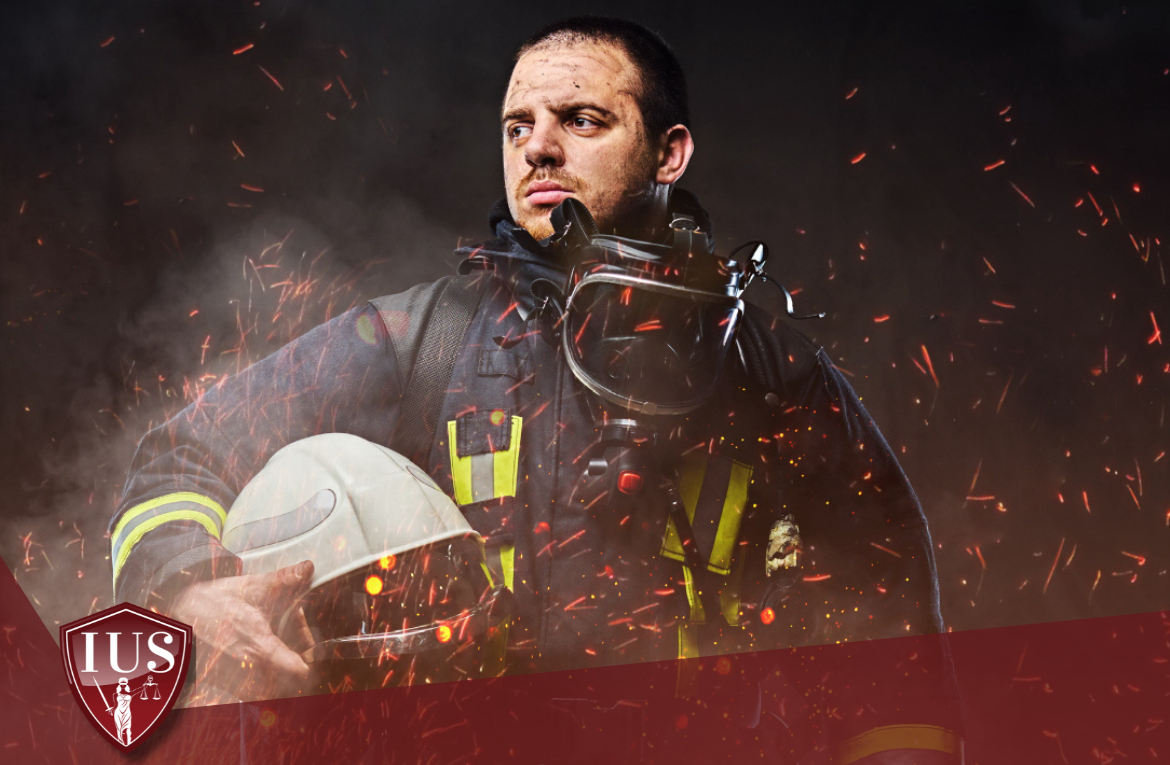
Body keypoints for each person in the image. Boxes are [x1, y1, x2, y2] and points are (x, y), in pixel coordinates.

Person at [109, 16, 963, 762]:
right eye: (518, 125)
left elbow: (894, 641)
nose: (538, 147)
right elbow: (178, 453)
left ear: (671, 150)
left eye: (581, 119)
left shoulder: (769, 372)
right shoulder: (421, 340)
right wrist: (189, 584)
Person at [113, 677, 133, 744]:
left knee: (128, 728)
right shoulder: (115, 695)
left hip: (127, 713)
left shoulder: (130, 694)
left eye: (124, 685)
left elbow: (139, 690)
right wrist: (111, 710)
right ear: (119, 685)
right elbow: (115, 705)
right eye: (122, 685)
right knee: (119, 729)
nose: (123, 686)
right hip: (118, 713)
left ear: (126, 685)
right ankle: (120, 743)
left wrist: (145, 685)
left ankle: (129, 743)